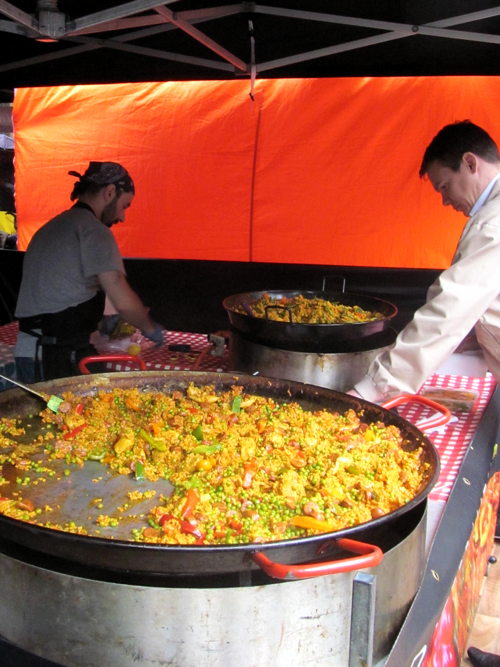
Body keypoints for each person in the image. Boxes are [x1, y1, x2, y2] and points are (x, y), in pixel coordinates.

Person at [351, 120, 500, 403]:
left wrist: (372, 389)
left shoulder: (493, 223)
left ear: (470, 163)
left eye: (444, 186)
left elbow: (451, 308)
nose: (445, 201)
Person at [14, 161, 165, 382]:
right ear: (110, 192)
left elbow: (59, 289)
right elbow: (118, 292)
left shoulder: (52, 227)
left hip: (29, 351)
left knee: (39, 416)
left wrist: (102, 322)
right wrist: (149, 327)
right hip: (55, 356)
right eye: (125, 206)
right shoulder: (93, 231)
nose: (122, 217)